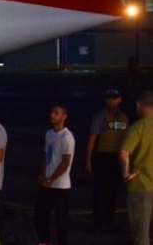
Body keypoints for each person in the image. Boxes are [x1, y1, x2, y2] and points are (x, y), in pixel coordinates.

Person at [85, 88, 128, 232]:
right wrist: (88, 160)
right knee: (100, 191)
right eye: (109, 98)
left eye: (114, 98)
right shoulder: (100, 116)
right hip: (102, 157)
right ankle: (97, 223)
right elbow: (92, 139)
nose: (111, 101)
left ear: (120, 100)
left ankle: (109, 221)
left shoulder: (124, 118)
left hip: (116, 158)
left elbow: (127, 141)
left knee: (113, 191)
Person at [34, 103, 75, 245]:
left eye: (56, 113)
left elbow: (65, 162)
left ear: (64, 117)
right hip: (47, 184)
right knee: (40, 216)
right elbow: (46, 156)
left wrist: (51, 179)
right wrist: (42, 175)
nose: (52, 115)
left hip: (60, 187)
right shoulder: (49, 134)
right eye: (52, 112)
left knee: (60, 221)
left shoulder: (67, 137)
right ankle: (44, 241)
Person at [119, 90, 153, 245]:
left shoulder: (138, 127)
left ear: (139, 105)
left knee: (141, 233)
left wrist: (126, 174)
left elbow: (124, 152)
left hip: (141, 186)